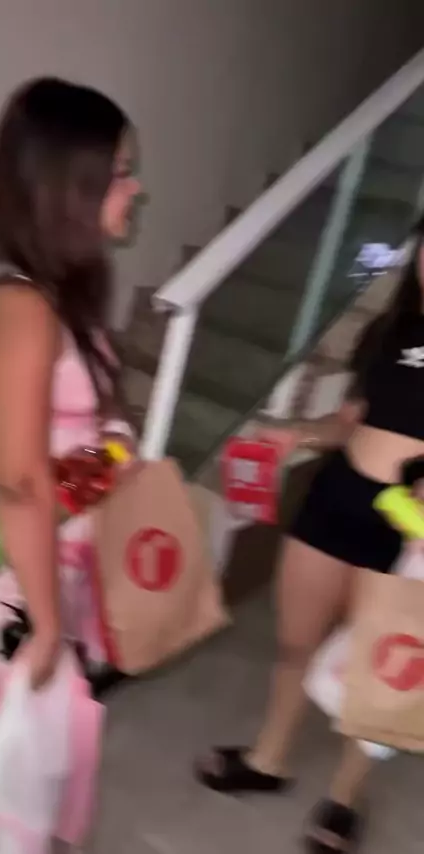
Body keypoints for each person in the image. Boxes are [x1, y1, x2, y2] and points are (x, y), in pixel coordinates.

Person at [195, 217, 424, 852]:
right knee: (295, 641)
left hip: (407, 528)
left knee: (373, 667)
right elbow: (351, 420)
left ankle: (345, 798)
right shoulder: (388, 331)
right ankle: (268, 760)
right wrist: (299, 434)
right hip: (336, 498)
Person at [0, 77, 141, 689]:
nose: (135, 189)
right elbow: (21, 485)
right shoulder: (21, 307)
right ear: (71, 187)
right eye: (121, 172)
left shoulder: (49, 297)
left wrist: (111, 454)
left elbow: (64, 458)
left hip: (23, 558)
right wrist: (49, 626)